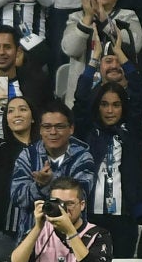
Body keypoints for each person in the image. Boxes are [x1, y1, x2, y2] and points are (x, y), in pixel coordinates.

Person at [72, 36, 142, 258]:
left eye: (116, 105)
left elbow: (139, 93)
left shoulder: (131, 131)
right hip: (90, 216)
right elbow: (80, 100)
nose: (110, 110)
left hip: (124, 216)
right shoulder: (86, 132)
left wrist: (123, 58)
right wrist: (94, 58)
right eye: (104, 104)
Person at [10, 100, 96, 239]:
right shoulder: (28, 155)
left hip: (72, 239)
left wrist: (49, 182)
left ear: (71, 129)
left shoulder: (83, 157)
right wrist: (39, 186)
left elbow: (80, 196)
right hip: (32, 238)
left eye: (60, 126)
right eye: (47, 127)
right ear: (40, 129)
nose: (53, 132)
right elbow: (17, 197)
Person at [60, 0, 142, 106]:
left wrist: (104, 19)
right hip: (82, 97)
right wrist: (87, 18)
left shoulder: (128, 16)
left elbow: (134, 45)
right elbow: (70, 49)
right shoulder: (76, 18)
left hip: (121, 98)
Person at [0, 25, 52, 142]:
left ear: (17, 51)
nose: (1, 52)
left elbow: (49, 120)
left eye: (7, 47)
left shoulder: (37, 82)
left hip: (29, 151)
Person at [0, 95, 38, 262]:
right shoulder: (0, 149)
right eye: (10, 111)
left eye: (23, 109)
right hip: (2, 234)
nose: (16, 114)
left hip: (37, 232)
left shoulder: (44, 150)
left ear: (33, 118)